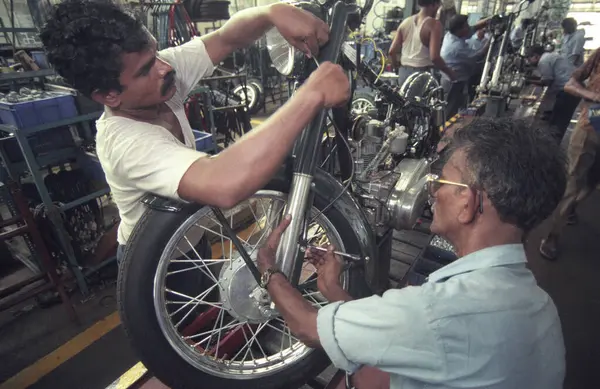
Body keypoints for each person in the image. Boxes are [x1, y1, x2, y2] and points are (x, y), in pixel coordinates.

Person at [257, 117, 566, 389]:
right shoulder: (542, 305)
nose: (432, 192)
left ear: (468, 204)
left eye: (440, 181)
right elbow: (405, 333)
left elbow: (307, 327)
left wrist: (268, 267)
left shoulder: (442, 310)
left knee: (365, 378)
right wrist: (335, 291)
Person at [39, 0, 350, 262]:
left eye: (155, 53)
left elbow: (228, 38)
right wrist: (310, 96)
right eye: (146, 69)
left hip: (190, 238)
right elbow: (224, 184)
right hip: (157, 261)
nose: (164, 67)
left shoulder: (160, 79)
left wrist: (272, 12)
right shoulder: (124, 141)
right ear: (108, 96)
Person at [540, 47, 600, 260]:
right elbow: (570, 83)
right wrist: (592, 95)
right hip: (595, 117)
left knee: (592, 182)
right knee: (574, 179)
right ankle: (553, 235)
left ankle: (571, 207)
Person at [387, 0, 455, 87]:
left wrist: (397, 67)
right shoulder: (434, 24)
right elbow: (434, 57)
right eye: (439, 5)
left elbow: (391, 51)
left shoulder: (405, 22)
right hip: (422, 75)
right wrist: (450, 73)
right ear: (433, 4)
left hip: (404, 72)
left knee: (404, 100)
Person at [526, 44, 579, 143]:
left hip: (569, 91)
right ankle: (552, 145)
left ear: (536, 56)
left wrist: (529, 81)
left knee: (558, 122)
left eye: (529, 58)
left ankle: (552, 148)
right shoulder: (550, 56)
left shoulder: (543, 61)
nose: (528, 62)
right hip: (572, 88)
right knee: (558, 120)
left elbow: (547, 81)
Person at [440, 15, 490, 118]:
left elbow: (470, 29)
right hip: (453, 82)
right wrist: (492, 41)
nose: (469, 27)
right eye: (466, 25)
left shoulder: (451, 35)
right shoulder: (456, 47)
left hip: (455, 80)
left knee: (455, 108)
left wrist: (486, 21)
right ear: (460, 29)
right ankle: (444, 132)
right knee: (449, 111)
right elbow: (478, 55)